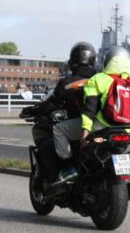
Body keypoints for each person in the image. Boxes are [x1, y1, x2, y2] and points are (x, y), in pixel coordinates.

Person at [21, 41, 97, 186]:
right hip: (102, 125)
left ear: (73, 61)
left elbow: (52, 103)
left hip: (81, 125)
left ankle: (67, 169)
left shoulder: (68, 83)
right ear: (93, 60)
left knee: (56, 132)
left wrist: (33, 110)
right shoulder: (101, 79)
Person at [81, 46, 130, 142]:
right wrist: (124, 121)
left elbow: (89, 108)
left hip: (102, 127)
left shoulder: (98, 79)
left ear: (107, 61)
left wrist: (86, 129)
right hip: (127, 130)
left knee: (84, 144)